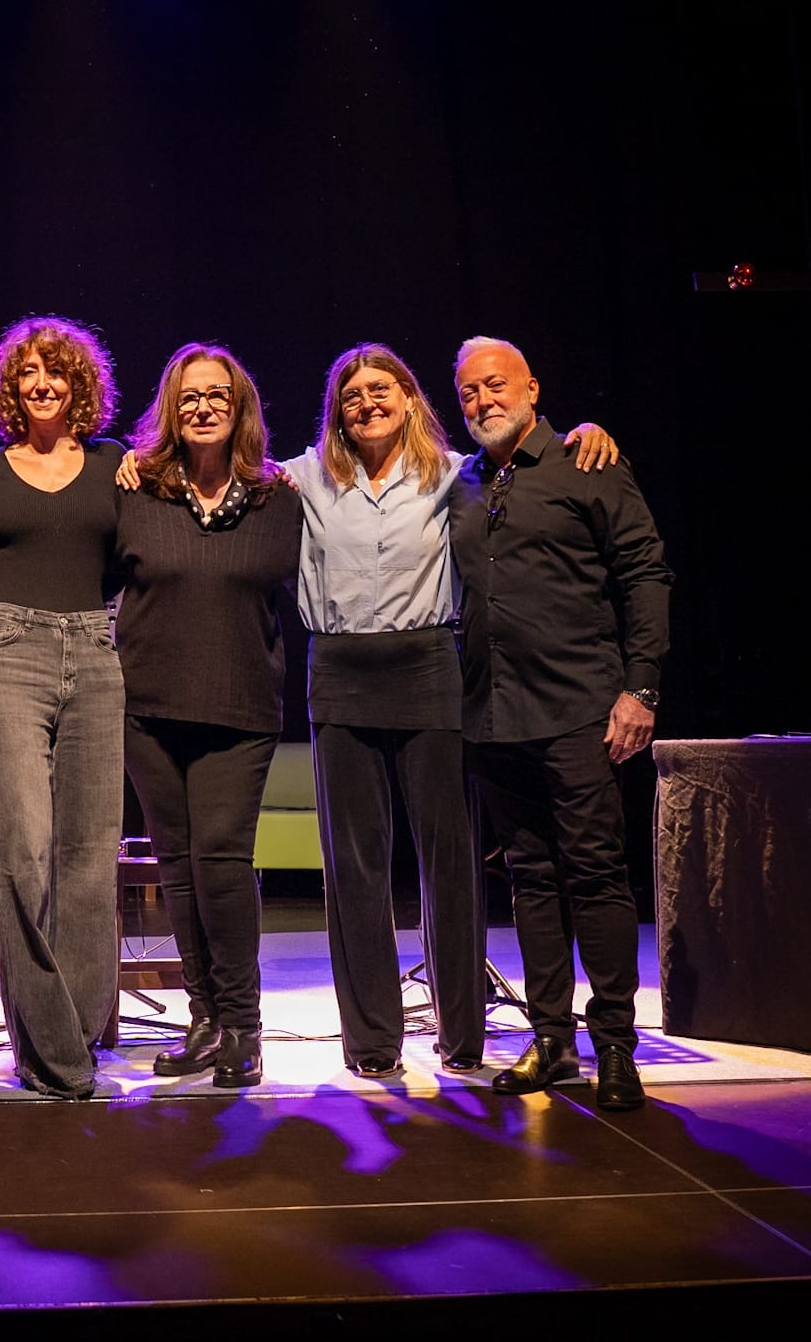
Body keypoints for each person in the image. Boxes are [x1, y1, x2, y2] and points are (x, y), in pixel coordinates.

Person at [282, 344, 617, 1082]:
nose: (367, 402)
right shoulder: (303, 477)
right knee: (356, 868)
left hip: (431, 669)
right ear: (336, 409)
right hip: (338, 672)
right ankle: (372, 1041)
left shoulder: (455, 475)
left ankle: (461, 1035)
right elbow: (219, 476)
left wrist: (581, 431)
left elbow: (526, 457)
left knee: (450, 861)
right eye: (351, 394)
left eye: (382, 389)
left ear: (409, 399)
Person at [447, 336, 671, 1113]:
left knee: (597, 877)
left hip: (580, 709)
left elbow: (646, 572)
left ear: (533, 389)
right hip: (493, 716)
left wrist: (639, 689)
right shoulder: (464, 484)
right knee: (532, 882)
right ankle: (552, 1041)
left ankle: (616, 1046)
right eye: (469, 392)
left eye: (495, 385)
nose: (482, 401)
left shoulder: (589, 463)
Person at [112, 344, 302, 1088]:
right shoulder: (135, 490)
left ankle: (244, 1028)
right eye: (187, 396)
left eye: (216, 394)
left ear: (240, 405)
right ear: (170, 407)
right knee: (179, 871)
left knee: (221, 864)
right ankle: (203, 1019)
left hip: (240, 707)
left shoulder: (276, 495)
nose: (202, 407)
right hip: (149, 708)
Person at [0, 316, 125, 1099]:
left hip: (96, 651)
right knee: (18, 853)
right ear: (11, 388)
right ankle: (59, 1048)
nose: (42, 381)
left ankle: (70, 1038)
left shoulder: (117, 465)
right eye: (27, 371)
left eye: (55, 369)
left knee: (90, 859)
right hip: (8, 652)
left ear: (78, 382)